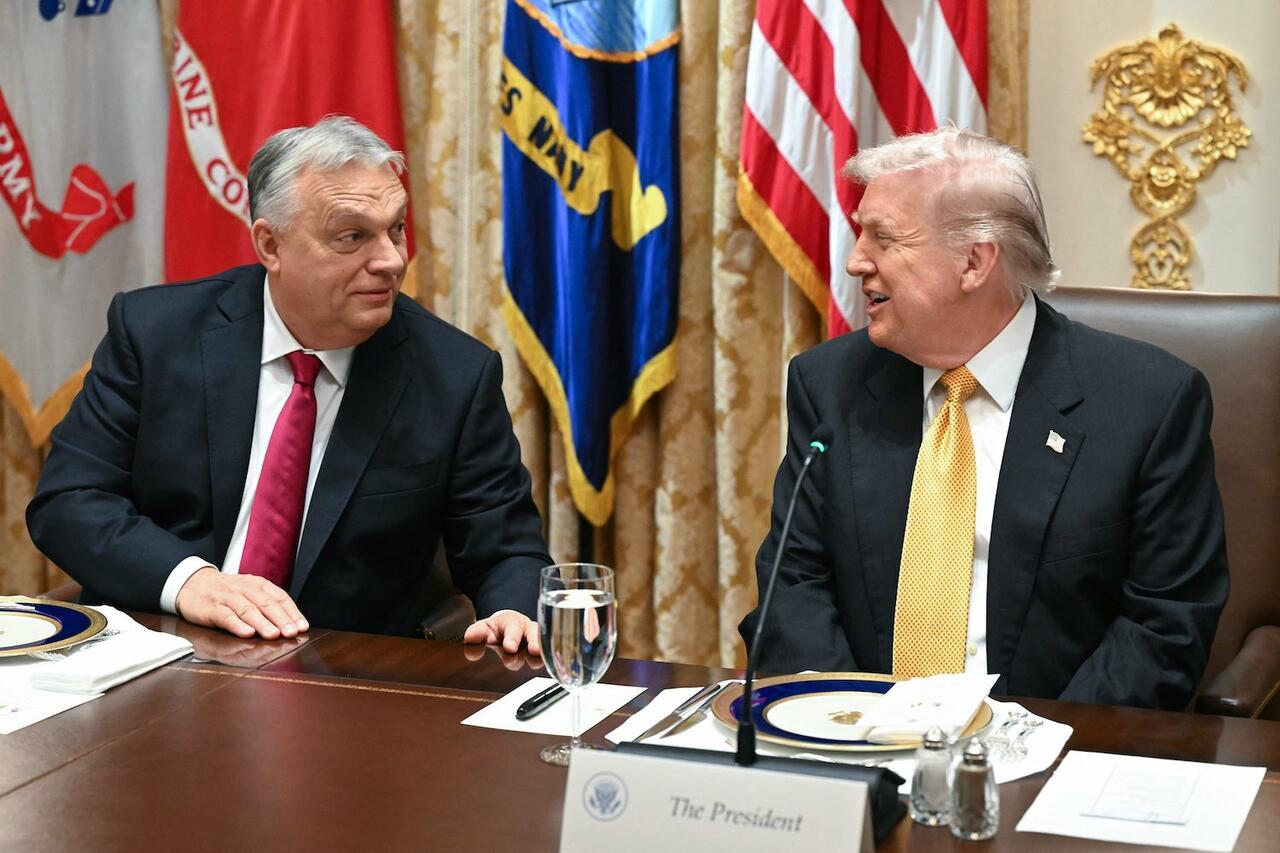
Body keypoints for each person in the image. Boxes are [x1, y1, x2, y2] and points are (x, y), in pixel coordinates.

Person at [739, 127, 1228, 710]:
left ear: (973, 262)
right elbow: (793, 584)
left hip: (1054, 744)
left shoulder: (1148, 403)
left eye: (883, 238)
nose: (854, 261)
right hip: (856, 737)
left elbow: (1163, 625)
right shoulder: (829, 385)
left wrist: (1037, 742)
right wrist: (852, 723)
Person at [27, 116, 549, 653]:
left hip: (338, 672)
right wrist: (190, 582)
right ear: (270, 245)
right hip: (156, 649)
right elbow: (69, 501)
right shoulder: (156, 334)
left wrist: (513, 611)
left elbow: (506, 551)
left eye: (395, 229)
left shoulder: (454, 375)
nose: (392, 260)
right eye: (352, 236)